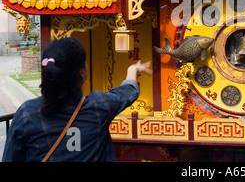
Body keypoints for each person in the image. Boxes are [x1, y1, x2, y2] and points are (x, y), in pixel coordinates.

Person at [2, 37, 151, 162]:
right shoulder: (99, 107)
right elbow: (128, 92)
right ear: (82, 73)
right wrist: (133, 69)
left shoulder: (26, 114)